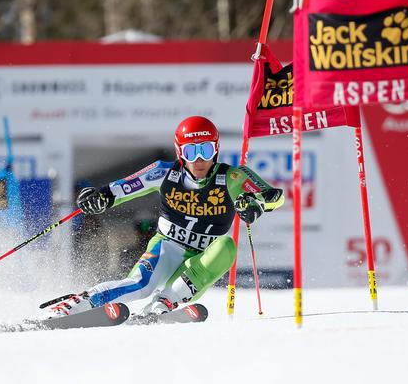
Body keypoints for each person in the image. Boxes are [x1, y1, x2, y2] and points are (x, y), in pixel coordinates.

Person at [43, 116, 284, 319]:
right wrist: (99, 197)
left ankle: (164, 304)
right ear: (180, 152)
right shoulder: (164, 172)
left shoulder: (232, 177)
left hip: (202, 261)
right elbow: (121, 189)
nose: (199, 159)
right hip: (168, 247)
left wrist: (255, 205)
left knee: (226, 246)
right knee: (139, 285)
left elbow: (274, 197)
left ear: (216, 149)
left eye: (206, 150)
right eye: (191, 151)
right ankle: (76, 305)